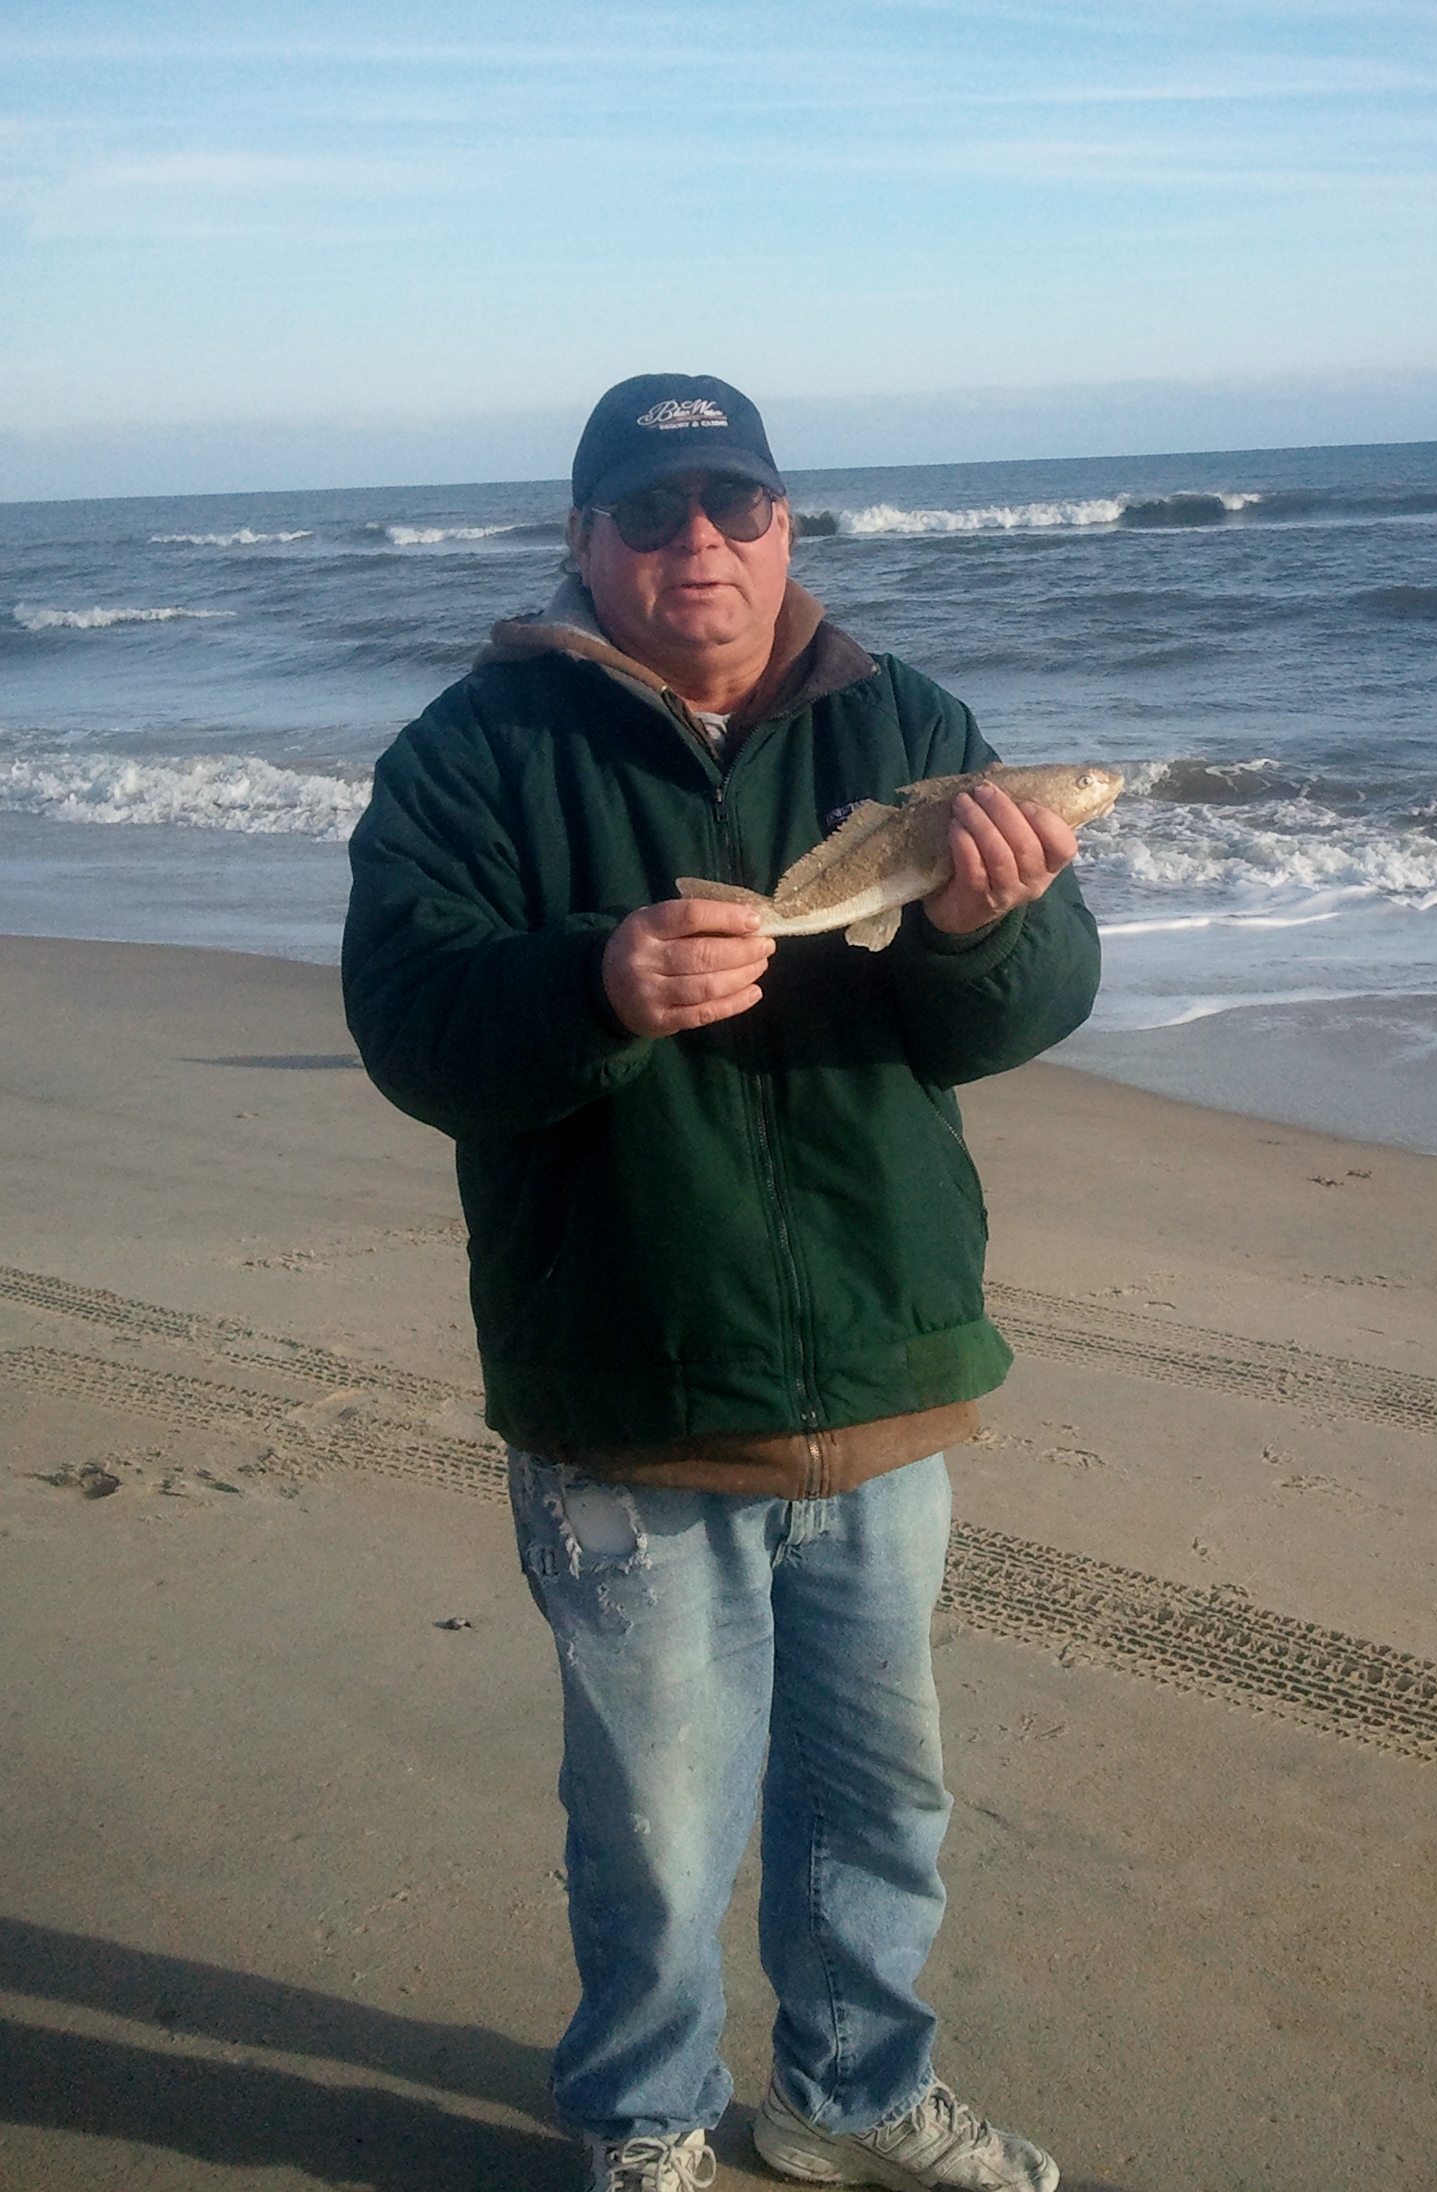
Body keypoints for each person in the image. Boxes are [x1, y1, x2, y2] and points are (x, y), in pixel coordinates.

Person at [341, 374, 1099, 2192]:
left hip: (882, 1352)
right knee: (661, 1820)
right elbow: (411, 1024)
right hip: (626, 1374)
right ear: (583, 539)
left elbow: (1020, 1015)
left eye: (736, 504)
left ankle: (849, 2093)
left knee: (881, 1804)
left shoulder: (901, 720)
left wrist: (996, 926)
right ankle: (650, 2120)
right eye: (655, 508)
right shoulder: (472, 749)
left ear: (789, 525)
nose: (702, 541)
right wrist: (593, 986)